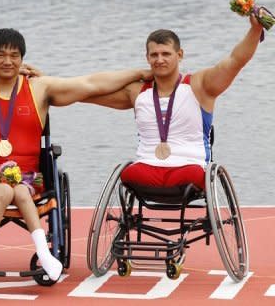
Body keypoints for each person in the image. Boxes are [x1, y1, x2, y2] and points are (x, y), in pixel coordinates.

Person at [0, 28, 151, 282]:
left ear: (23, 60)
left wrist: (138, 74)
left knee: (19, 189)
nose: (8, 61)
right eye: (0, 55)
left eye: (14, 56)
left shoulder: (39, 88)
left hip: (31, 178)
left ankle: (42, 252)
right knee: (4, 190)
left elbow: (89, 84)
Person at [83, 14, 264, 190]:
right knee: (127, 172)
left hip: (190, 169)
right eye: (154, 55)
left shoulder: (200, 85)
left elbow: (235, 61)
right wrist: (136, 73)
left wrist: (255, 30)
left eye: (166, 54)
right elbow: (90, 90)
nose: (160, 60)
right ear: (147, 58)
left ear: (180, 54)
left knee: (191, 173)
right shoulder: (137, 91)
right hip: (146, 167)